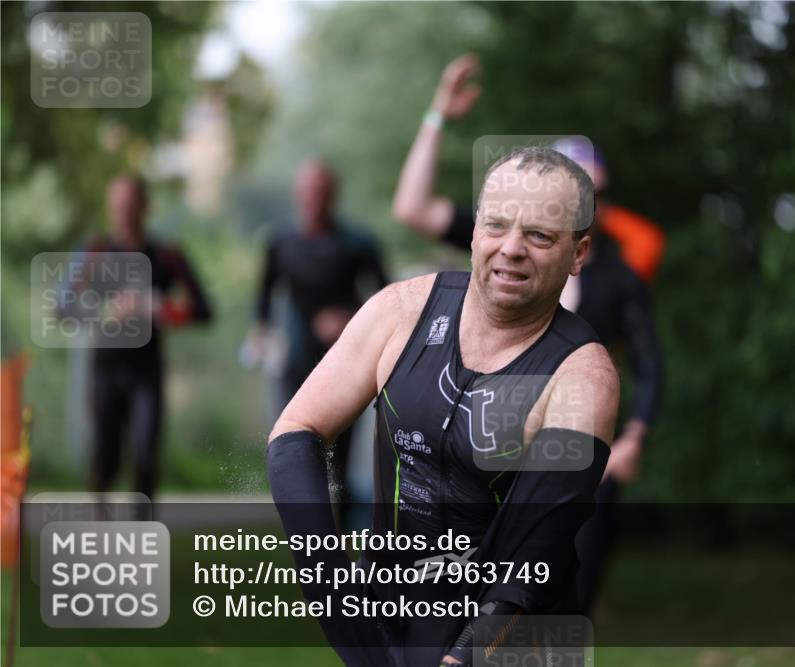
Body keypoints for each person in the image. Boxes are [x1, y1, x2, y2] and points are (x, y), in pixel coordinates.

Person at [267, 147, 619, 666]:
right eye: (497, 225)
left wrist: (460, 659)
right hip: (386, 618)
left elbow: (530, 563)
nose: (512, 248)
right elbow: (296, 429)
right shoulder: (400, 311)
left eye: (540, 235)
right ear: (475, 230)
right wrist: (332, 584)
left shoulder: (584, 379)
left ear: (577, 253)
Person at [391, 54, 664, 612]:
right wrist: (437, 117)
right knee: (466, 604)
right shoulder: (501, 241)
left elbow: (651, 363)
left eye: (596, 197)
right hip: (488, 447)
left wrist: (632, 437)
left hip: (573, 452)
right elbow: (412, 207)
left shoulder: (614, 277)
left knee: (559, 601)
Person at [247, 160, 388, 506]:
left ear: (334, 195)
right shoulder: (280, 243)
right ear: (299, 195)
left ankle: (337, 541)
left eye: (322, 191)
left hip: (346, 365)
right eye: (309, 191)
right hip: (296, 362)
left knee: (335, 460)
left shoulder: (358, 243)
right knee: (296, 451)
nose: (315, 198)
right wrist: (260, 335)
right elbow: (264, 297)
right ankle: (309, 540)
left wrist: (350, 319)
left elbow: (389, 301)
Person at [78, 175, 212, 501]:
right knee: (106, 455)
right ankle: (100, 523)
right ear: (110, 208)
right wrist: (107, 311)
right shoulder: (95, 253)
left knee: (145, 454)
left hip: (146, 371)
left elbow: (203, 309)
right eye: (118, 205)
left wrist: (160, 308)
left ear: (144, 207)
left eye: (130, 205)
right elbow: (63, 306)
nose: (124, 212)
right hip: (105, 369)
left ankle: (142, 537)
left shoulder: (166, 255)